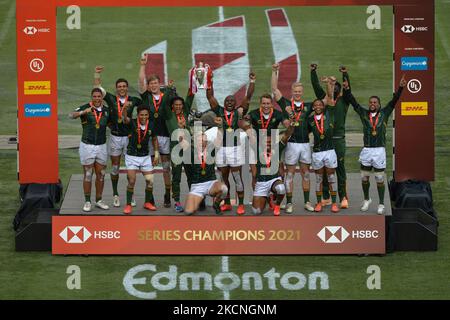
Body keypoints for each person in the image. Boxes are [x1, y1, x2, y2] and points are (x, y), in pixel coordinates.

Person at [344, 75, 406, 214]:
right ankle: (367, 200)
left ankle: (382, 203)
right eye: (371, 102)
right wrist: (347, 89)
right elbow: (353, 102)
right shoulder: (363, 113)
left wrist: (401, 87)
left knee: (379, 178)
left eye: (375, 102)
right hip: (367, 150)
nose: (372, 104)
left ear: (379, 104)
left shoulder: (385, 112)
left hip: (379, 151)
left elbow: (395, 100)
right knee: (364, 176)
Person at [206, 71, 255, 215]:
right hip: (221, 149)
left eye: (232, 101)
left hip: (234, 149)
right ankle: (226, 202)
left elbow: (248, 97)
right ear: (224, 103)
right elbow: (210, 96)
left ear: (235, 104)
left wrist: (252, 81)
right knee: (224, 178)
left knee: (237, 178)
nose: (229, 103)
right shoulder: (218, 111)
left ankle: (240, 204)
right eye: (227, 101)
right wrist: (210, 80)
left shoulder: (239, 113)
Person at [93, 66, 142, 208]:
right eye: (119, 86)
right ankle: (115, 194)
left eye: (124, 86)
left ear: (127, 88)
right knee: (115, 167)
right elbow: (97, 88)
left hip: (129, 137)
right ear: (116, 88)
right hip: (115, 137)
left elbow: (145, 109)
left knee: (130, 168)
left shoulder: (134, 100)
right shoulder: (110, 98)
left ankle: (130, 194)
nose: (122, 88)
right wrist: (97, 73)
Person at [272, 63, 315, 213]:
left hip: (304, 144)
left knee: (306, 174)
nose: (297, 93)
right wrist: (275, 71)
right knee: (290, 173)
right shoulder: (285, 104)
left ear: (302, 92)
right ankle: (289, 203)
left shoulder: (308, 106)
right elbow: (274, 90)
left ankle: (307, 201)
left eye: (299, 91)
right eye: (295, 91)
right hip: (291, 143)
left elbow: (324, 101)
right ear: (291, 91)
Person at [310, 64, 351, 209]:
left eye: (336, 88)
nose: (333, 90)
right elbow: (316, 87)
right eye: (332, 88)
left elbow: (348, 88)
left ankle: (343, 197)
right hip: (324, 141)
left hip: (338, 140)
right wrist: (313, 72)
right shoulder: (324, 100)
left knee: (339, 169)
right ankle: (326, 197)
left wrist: (344, 74)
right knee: (324, 170)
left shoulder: (344, 101)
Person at [138, 57, 176, 208]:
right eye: (150, 83)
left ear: (159, 84)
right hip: (149, 137)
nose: (153, 85)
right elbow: (141, 81)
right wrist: (142, 65)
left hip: (165, 135)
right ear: (148, 86)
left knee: (166, 168)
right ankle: (150, 197)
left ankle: (168, 195)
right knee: (149, 168)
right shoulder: (146, 96)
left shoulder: (167, 95)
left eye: (155, 83)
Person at [70, 88, 111, 212]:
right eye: (95, 96)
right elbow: (71, 115)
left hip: (102, 146)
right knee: (88, 174)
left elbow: (110, 124)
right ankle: (87, 201)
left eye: (99, 96)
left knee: (101, 175)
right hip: (87, 146)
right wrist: (83, 112)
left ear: (102, 98)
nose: (97, 99)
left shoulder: (107, 111)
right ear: (91, 97)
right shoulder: (86, 107)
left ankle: (98, 200)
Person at [307, 77, 341, 213]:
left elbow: (330, 97)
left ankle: (334, 203)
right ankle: (319, 202)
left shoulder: (329, 113)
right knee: (319, 179)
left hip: (329, 150)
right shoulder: (310, 120)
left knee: (331, 177)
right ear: (313, 107)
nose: (318, 107)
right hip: (317, 152)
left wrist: (329, 84)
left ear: (323, 106)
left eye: (320, 105)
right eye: (315, 105)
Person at [250, 116, 294, 216]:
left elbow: (286, 135)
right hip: (261, 183)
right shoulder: (257, 149)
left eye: (270, 142)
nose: (268, 144)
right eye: (266, 142)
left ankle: (277, 205)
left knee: (281, 189)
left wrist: (291, 125)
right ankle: (267, 197)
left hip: (273, 180)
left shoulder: (277, 148)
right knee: (256, 211)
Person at [121, 104, 160, 214]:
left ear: (148, 115)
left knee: (150, 181)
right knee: (132, 180)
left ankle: (147, 202)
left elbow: (154, 139)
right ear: (137, 115)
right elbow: (125, 118)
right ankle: (128, 205)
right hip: (132, 156)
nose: (143, 117)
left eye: (146, 115)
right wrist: (124, 109)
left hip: (145, 157)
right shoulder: (132, 122)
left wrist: (156, 154)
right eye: (141, 115)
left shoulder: (152, 124)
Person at [163, 93, 195, 213]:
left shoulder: (185, 114)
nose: (178, 106)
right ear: (172, 106)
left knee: (191, 175)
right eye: (175, 105)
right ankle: (177, 201)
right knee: (176, 177)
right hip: (176, 151)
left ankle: (194, 199)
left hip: (187, 149)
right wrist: (169, 90)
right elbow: (164, 104)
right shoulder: (168, 115)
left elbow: (190, 98)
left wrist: (193, 81)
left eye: (180, 104)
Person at [184, 132, 228, 216]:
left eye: (204, 140)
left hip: (211, 183)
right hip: (197, 185)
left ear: (207, 141)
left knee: (224, 189)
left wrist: (219, 125)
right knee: (188, 211)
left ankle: (216, 204)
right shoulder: (191, 151)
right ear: (195, 141)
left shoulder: (211, 150)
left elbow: (219, 138)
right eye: (199, 140)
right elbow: (181, 141)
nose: (202, 141)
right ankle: (200, 199)